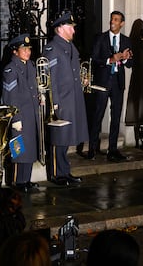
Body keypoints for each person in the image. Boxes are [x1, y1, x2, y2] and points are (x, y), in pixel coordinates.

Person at [42, 11, 89, 186]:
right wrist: (54, 102)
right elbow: (51, 78)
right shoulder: (52, 48)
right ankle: (56, 173)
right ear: (60, 28)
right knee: (58, 137)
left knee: (67, 137)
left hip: (72, 98)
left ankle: (65, 171)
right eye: (70, 27)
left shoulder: (69, 47)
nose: (73, 31)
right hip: (61, 99)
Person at [0, 33, 42, 193]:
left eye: (29, 48)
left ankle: (27, 179)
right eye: (23, 49)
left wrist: (40, 97)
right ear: (15, 51)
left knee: (30, 148)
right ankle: (18, 180)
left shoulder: (30, 65)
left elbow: (32, 88)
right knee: (19, 149)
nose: (27, 51)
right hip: (19, 115)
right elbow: (10, 96)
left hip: (31, 114)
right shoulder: (11, 69)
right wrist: (15, 117)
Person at [89, 11, 133, 162]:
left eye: (116, 20)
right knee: (98, 114)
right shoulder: (100, 39)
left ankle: (112, 149)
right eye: (111, 19)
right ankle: (92, 148)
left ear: (122, 23)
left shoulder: (126, 41)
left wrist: (126, 59)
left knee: (116, 117)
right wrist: (110, 59)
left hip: (118, 83)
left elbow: (131, 63)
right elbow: (94, 59)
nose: (112, 22)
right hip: (103, 82)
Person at [125, 19, 143, 150]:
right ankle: (140, 139)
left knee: (139, 107)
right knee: (140, 107)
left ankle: (140, 139)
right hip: (142, 76)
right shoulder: (140, 44)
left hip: (139, 77)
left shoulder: (135, 43)